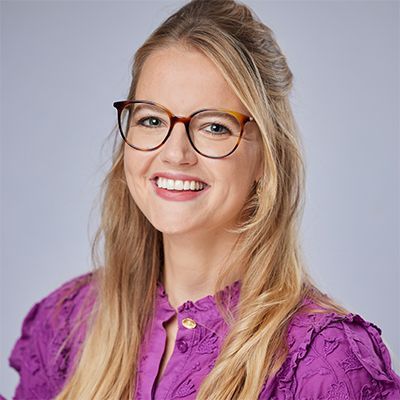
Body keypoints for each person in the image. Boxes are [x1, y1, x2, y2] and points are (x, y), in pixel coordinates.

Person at [7, 0, 400, 399]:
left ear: (267, 156)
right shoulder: (67, 324)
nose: (175, 153)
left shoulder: (323, 359)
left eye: (214, 126)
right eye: (151, 120)